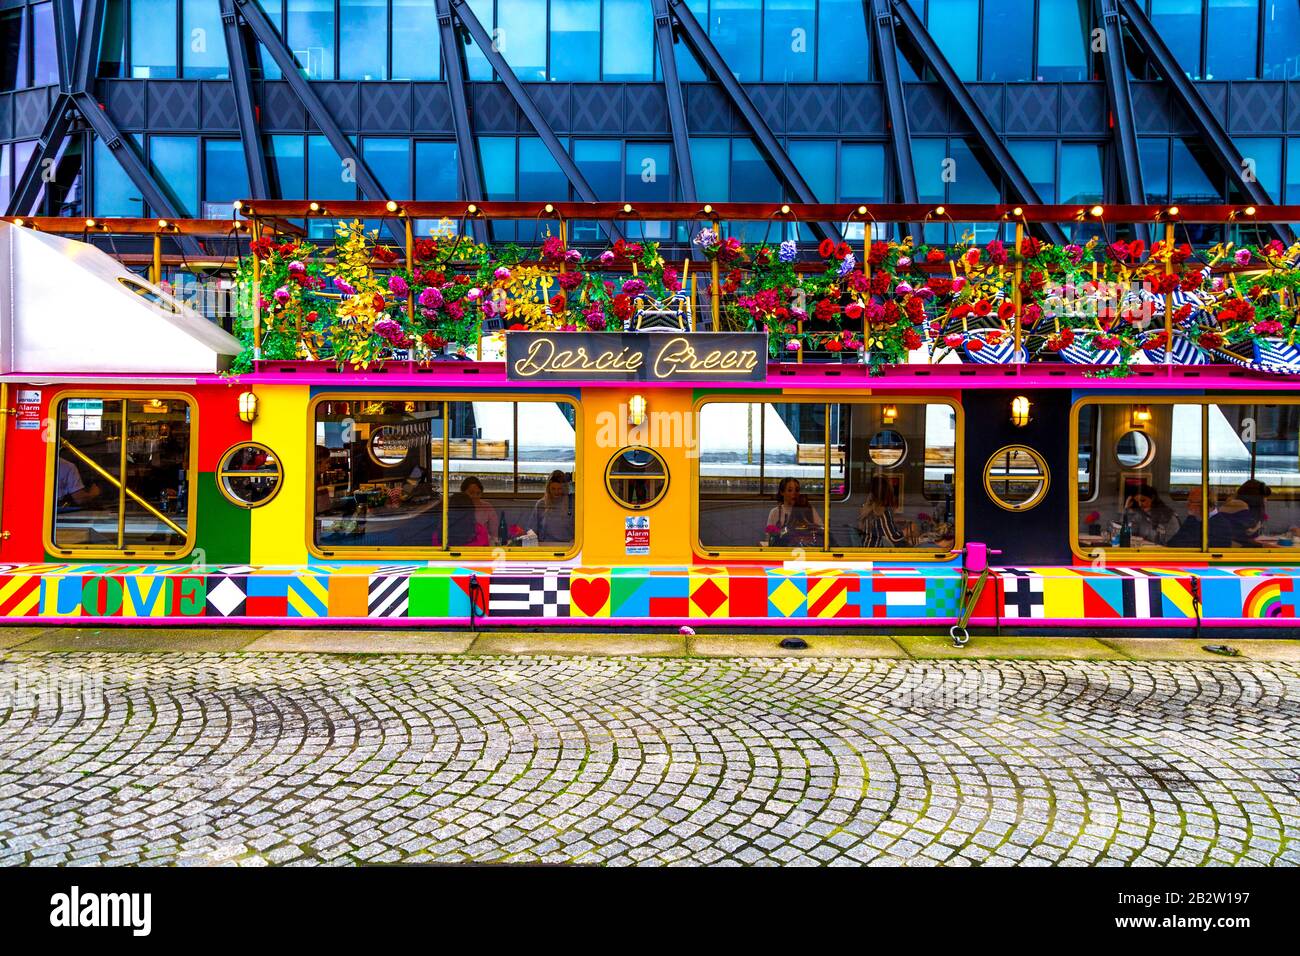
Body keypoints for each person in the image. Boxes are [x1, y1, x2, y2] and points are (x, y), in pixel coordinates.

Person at [856, 475, 911, 548]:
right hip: (876, 553)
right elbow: (892, 538)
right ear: (888, 493)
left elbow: (880, 529)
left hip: (867, 548)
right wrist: (909, 530)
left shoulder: (867, 509)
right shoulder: (882, 513)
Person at [530, 469, 574, 544]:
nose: (556, 492)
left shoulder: (572, 503)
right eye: (553, 489)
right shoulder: (541, 504)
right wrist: (531, 535)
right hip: (546, 546)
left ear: (564, 488)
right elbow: (532, 528)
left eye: (559, 489)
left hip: (569, 547)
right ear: (548, 489)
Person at [460, 476, 499, 545]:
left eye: (478, 493)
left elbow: (494, 534)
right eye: (471, 493)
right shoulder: (457, 507)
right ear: (463, 493)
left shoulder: (487, 507)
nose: (475, 496)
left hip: (483, 546)